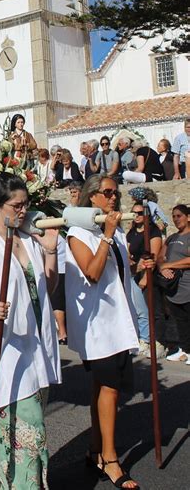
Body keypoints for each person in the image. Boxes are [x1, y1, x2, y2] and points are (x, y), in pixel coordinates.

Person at [0, 173, 61, 488]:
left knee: (31, 442)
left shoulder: (28, 240)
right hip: (5, 358)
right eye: (16, 205)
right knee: (25, 442)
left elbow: (48, 287)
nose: (23, 211)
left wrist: (51, 250)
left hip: (34, 353)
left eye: (26, 204)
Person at [66, 174, 143, 489]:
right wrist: (108, 236)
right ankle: (111, 460)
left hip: (117, 321)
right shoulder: (78, 233)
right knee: (108, 388)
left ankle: (95, 450)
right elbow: (93, 273)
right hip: (98, 326)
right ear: (92, 196)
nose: (114, 198)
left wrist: (141, 264)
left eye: (116, 193)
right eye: (107, 193)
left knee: (103, 388)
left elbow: (122, 271)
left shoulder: (117, 231)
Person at [126, 203, 163, 357]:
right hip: (135, 273)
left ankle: (154, 342)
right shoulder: (132, 233)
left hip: (149, 274)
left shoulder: (152, 231)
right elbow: (127, 251)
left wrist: (146, 278)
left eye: (140, 212)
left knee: (152, 310)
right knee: (137, 310)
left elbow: (153, 255)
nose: (137, 215)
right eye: (134, 213)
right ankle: (143, 339)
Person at [159, 205, 190, 364]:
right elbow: (160, 257)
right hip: (174, 290)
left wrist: (169, 265)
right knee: (180, 322)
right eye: (174, 216)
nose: (176, 219)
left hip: (188, 288)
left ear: (188, 217)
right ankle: (185, 351)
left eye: (179, 216)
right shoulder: (171, 238)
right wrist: (162, 268)